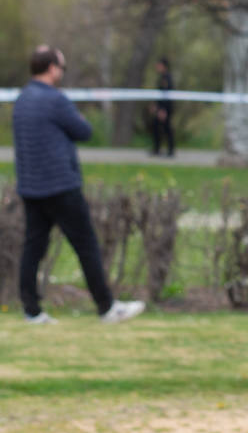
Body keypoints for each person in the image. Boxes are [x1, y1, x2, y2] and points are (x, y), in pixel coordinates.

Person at [12, 45, 145, 325]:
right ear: (51, 68)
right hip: (60, 186)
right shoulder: (54, 100)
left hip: (31, 187)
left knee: (33, 248)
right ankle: (107, 307)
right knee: (86, 245)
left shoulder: (22, 98)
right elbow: (83, 131)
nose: (62, 71)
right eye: (61, 66)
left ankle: (31, 310)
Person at [150, 57, 175, 157]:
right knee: (156, 127)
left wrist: (163, 110)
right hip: (160, 108)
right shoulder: (161, 77)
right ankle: (157, 148)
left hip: (165, 109)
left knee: (167, 129)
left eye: (159, 65)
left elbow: (167, 95)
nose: (157, 67)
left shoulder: (167, 78)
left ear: (164, 66)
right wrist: (155, 106)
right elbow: (159, 94)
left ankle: (170, 150)